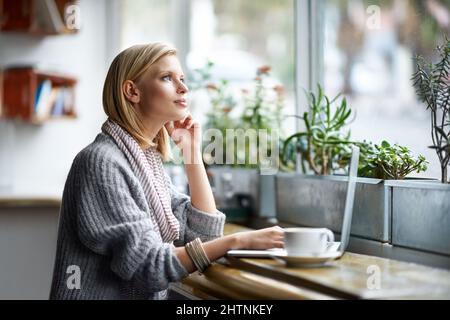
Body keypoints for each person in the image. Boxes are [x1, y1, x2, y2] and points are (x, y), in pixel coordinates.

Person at [49, 42, 284, 300]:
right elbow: (149, 266)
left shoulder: (145, 162)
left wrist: (192, 153)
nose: (183, 88)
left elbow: (203, 235)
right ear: (132, 91)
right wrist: (238, 241)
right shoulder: (101, 163)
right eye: (167, 78)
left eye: (182, 79)